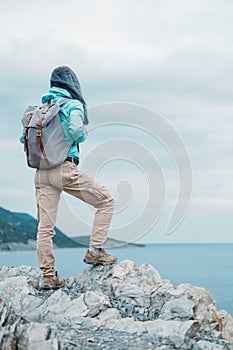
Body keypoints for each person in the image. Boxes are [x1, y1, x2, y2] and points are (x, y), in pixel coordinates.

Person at [25, 66, 117, 289]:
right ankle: (95, 251)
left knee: (45, 228)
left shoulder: (42, 109)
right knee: (106, 201)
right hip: (65, 169)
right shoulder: (71, 104)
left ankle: (49, 276)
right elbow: (76, 130)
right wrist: (80, 135)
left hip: (41, 173)